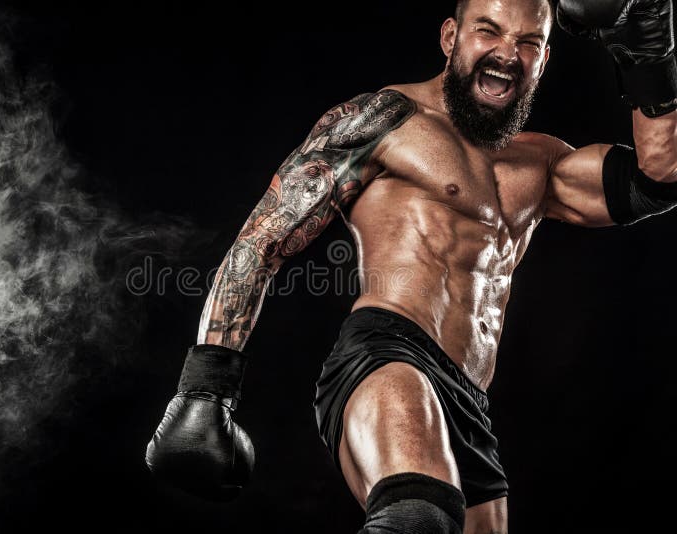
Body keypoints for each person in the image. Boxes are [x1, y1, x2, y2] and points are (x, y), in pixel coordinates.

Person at [145, 0, 677, 532]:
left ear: (543, 59)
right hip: (388, 354)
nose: (506, 54)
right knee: (418, 520)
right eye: (487, 32)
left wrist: (652, 54)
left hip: (470, 405)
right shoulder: (385, 119)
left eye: (528, 43)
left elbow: (661, 176)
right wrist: (205, 387)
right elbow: (260, 242)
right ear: (451, 38)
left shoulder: (541, 161)